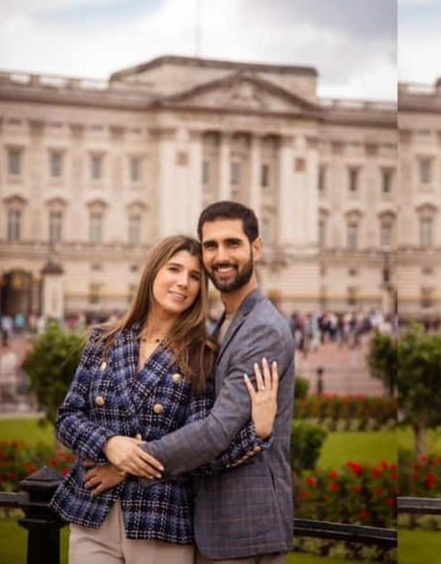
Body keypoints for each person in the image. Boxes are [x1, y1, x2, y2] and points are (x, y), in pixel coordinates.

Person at [52, 235, 277, 564]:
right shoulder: (104, 339)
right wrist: (109, 444)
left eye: (195, 276)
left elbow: (203, 449)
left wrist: (259, 432)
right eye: (175, 269)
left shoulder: (202, 354)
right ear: (153, 272)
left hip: (161, 519)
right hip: (93, 515)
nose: (183, 283)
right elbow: (68, 418)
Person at [103, 201, 296, 563]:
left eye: (232, 243)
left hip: (244, 526)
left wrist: (127, 462)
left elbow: (217, 431)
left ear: (256, 248)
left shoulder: (262, 329)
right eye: (211, 246)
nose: (221, 256)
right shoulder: (225, 322)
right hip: (217, 522)